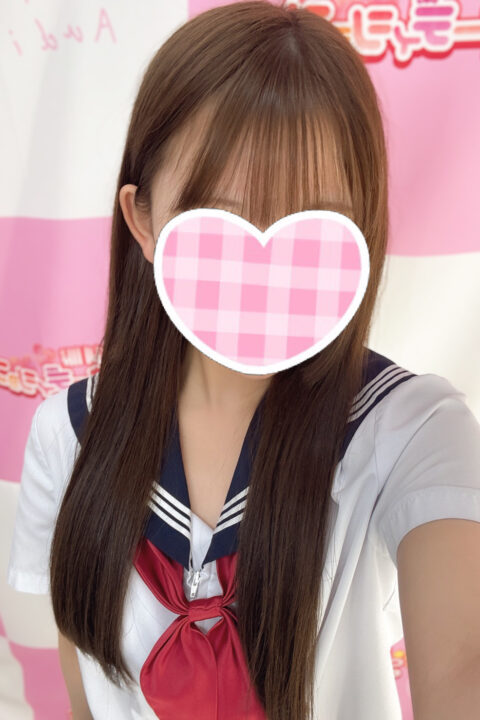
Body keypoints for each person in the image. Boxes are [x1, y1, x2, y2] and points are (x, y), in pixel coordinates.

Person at [7, 2, 480, 719]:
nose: (266, 260)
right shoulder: (68, 433)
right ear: (143, 220)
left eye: (313, 224)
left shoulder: (412, 432)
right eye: (220, 217)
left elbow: (463, 664)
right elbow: (85, 682)